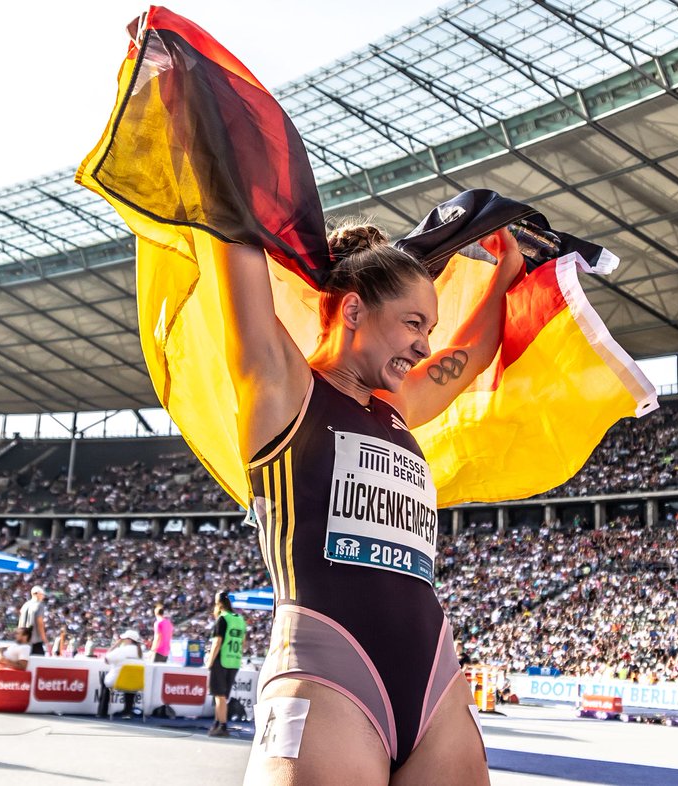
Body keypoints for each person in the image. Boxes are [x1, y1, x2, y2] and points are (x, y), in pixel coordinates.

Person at [222, 221, 522, 784]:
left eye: (429, 328)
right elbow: (232, 237)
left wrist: (507, 269)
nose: (426, 345)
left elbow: (473, 352)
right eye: (413, 323)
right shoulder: (283, 387)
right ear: (355, 310)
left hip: (435, 682)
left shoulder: (398, 407)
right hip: (327, 675)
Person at [206, 591, 246, 738]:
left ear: (218, 604)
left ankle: (222, 725)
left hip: (221, 660)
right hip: (234, 661)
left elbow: (217, 642)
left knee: (219, 695)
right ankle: (217, 723)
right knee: (222, 696)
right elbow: (243, 642)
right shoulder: (240, 619)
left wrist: (210, 661)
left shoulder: (222, 618)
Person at [97, 630, 144, 718]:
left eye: (124, 639)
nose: (122, 640)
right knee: (130, 685)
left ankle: (102, 712)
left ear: (129, 640)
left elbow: (106, 660)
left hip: (117, 681)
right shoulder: (141, 653)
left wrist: (116, 645)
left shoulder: (121, 650)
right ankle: (127, 712)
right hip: (135, 683)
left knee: (105, 681)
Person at [17, 585, 48, 656]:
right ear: (37, 594)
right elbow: (40, 623)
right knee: (39, 659)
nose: (43, 597)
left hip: (24, 640)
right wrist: (44, 638)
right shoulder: (39, 605)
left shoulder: (25, 605)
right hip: (35, 640)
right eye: (42, 594)